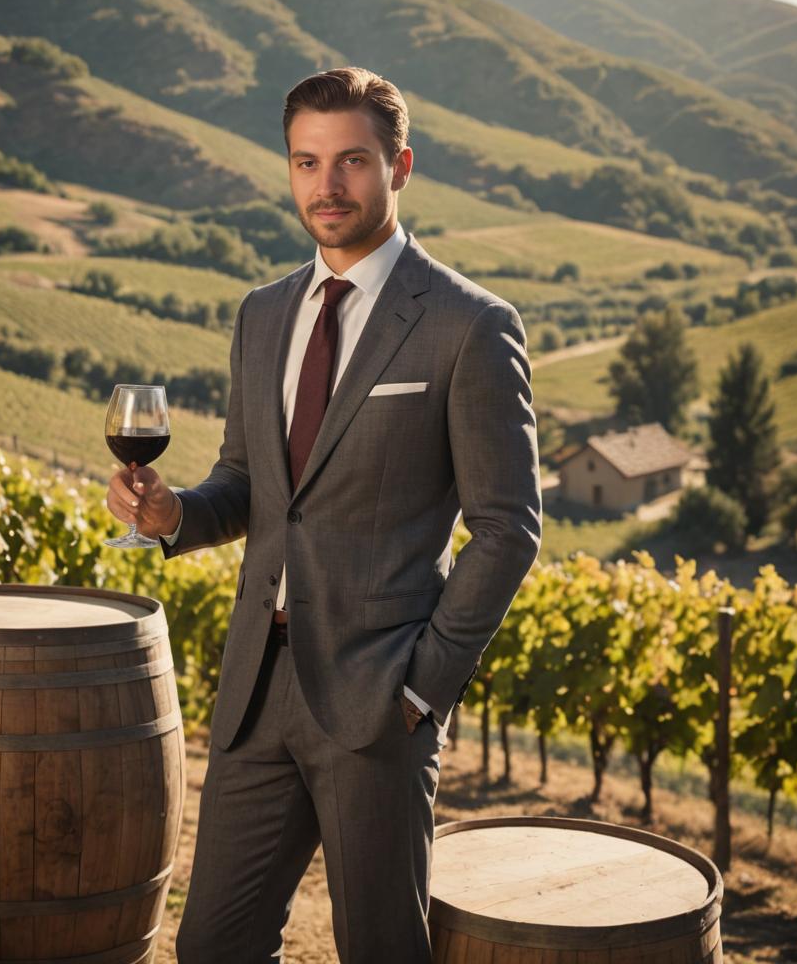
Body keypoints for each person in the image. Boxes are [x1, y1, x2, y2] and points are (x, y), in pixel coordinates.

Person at [106, 66, 542, 964]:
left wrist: (423, 687)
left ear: (400, 166)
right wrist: (169, 515)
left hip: (379, 698)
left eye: (350, 161)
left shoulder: (467, 325)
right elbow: (250, 483)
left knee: (380, 948)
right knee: (213, 947)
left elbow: (508, 529)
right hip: (255, 693)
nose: (326, 185)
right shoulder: (262, 314)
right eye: (306, 162)